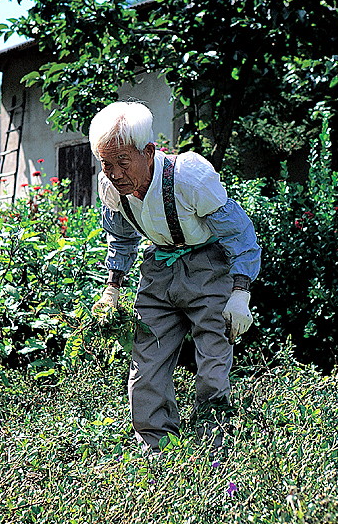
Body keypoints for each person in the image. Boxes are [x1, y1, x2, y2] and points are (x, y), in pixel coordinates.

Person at [89, 101, 261, 453]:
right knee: (146, 362)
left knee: (213, 359)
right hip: (159, 267)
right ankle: (156, 447)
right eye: (106, 164)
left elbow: (239, 235)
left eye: (123, 162)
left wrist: (240, 292)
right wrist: (113, 288)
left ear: (148, 152)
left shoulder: (189, 178)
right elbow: (122, 239)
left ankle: (215, 444)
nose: (114, 173)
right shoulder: (111, 189)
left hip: (208, 266)